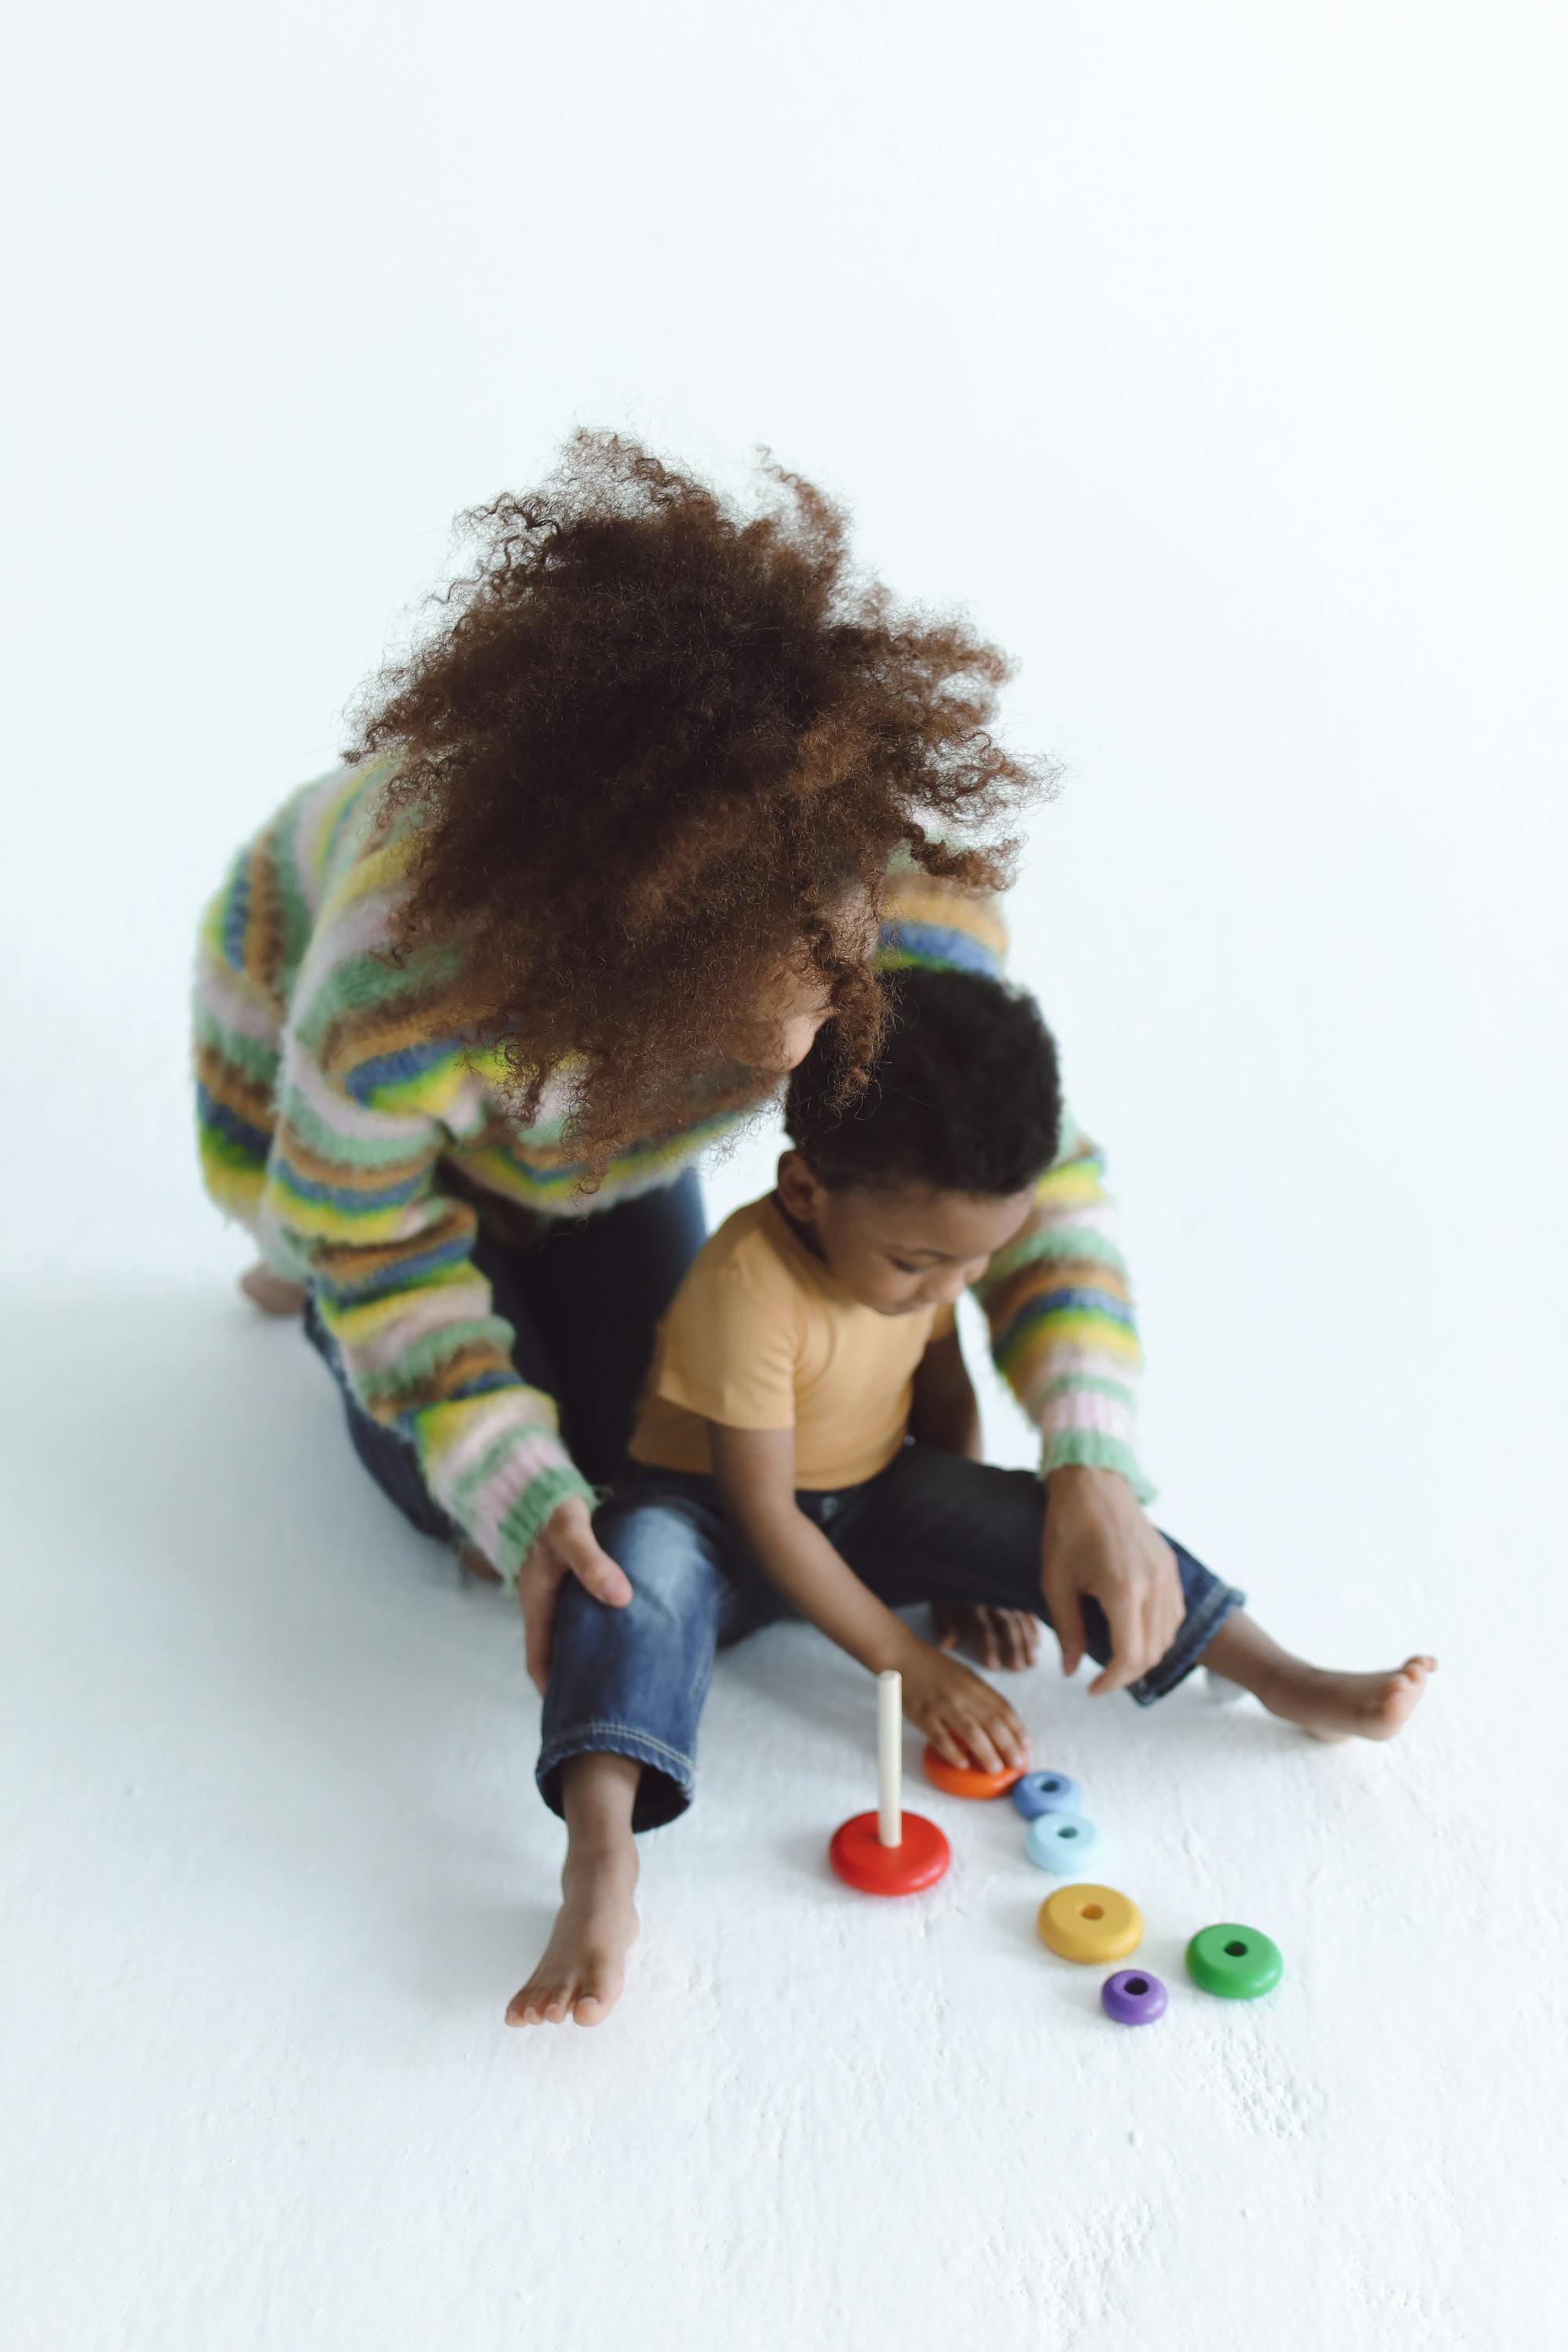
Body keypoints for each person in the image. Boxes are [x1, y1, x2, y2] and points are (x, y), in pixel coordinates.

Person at [194, 432, 1178, 1730]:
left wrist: (1088, 1453)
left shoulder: (890, 897)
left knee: (651, 1455)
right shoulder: (408, 980)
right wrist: (519, 1492)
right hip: (322, 1121)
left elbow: (1009, 1158)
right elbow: (374, 1243)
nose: (819, 1040)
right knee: (493, 1496)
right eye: (765, 1016)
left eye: (847, 968)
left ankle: (476, 1239)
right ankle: (288, 1269)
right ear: (628, 971)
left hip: (574, 1145)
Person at [511, 969, 1436, 2029]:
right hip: (714, 1514)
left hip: (869, 1495)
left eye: (977, 1263)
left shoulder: (926, 1263)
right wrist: (916, 1666)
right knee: (630, 1589)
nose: (947, 1288)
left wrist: (955, 1572)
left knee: (1055, 1525)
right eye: (918, 1262)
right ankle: (600, 1858)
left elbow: (939, 1393)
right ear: (806, 1188)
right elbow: (767, 1521)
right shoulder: (747, 1286)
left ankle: (1280, 1675)